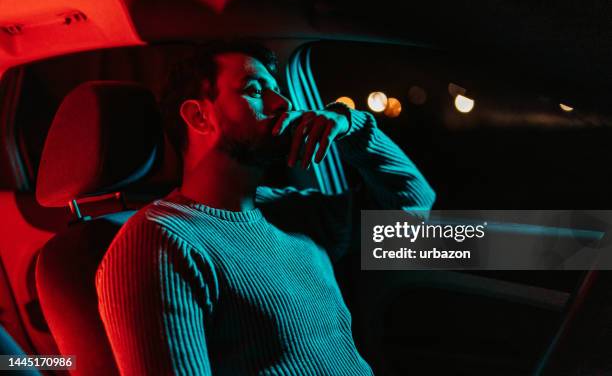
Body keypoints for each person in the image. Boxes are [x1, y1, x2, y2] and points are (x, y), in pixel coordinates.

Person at [96, 40, 435, 375]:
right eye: (255, 91)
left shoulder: (293, 211)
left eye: (278, 89)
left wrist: (349, 127)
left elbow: (412, 208)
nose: (282, 103)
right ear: (199, 116)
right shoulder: (159, 241)